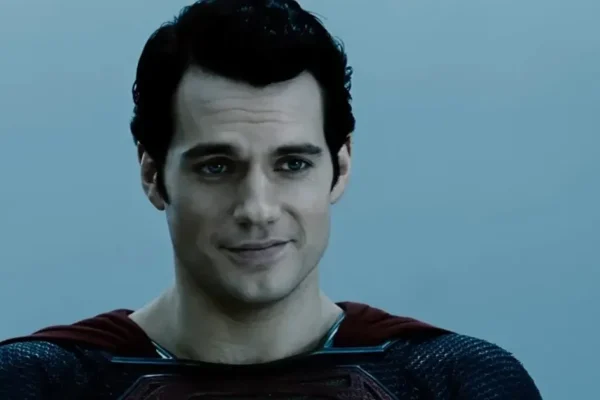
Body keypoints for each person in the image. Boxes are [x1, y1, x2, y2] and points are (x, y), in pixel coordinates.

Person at [0, 1, 543, 399]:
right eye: (217, 166)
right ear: (153, 175)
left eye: (292, 164)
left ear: (340, 167)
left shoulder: (455, 382)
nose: (257, 208)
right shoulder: (38, 384)